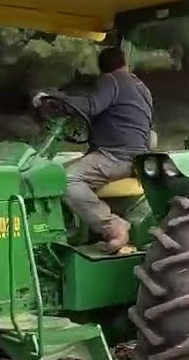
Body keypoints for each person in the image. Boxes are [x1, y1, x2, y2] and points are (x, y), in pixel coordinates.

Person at [33, 46, 154, 253]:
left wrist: (52, 100)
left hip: (115, 156)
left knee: (66, 179)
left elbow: (90, 105)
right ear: (125, 63)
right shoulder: (141, 88)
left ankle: (113, 227)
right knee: (58, 167)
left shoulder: (111, 80)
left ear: (103, 68)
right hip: (137, 156)